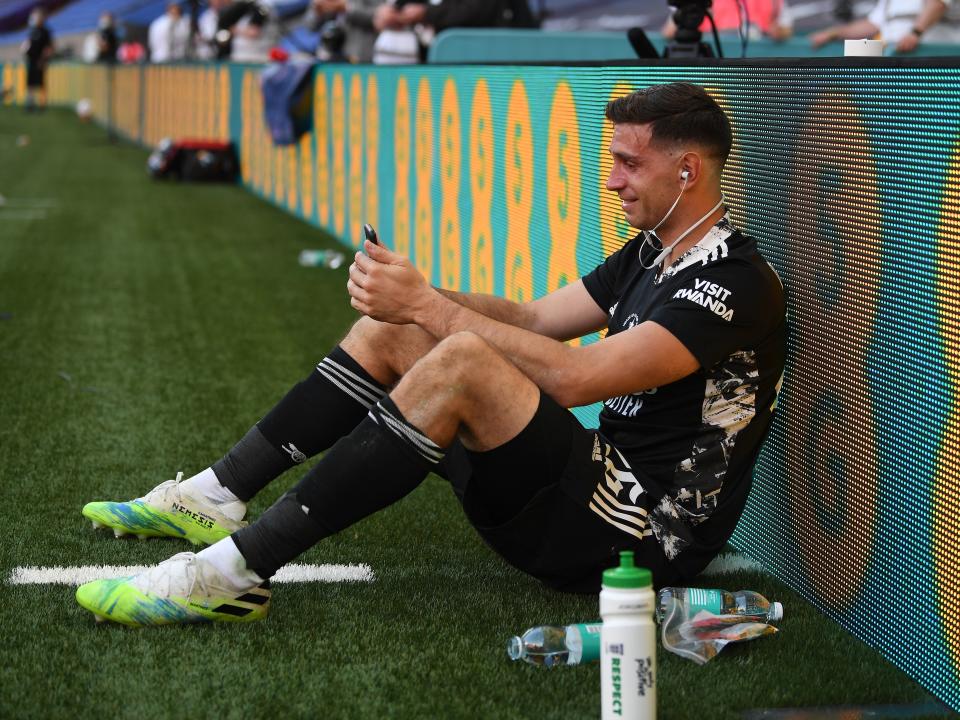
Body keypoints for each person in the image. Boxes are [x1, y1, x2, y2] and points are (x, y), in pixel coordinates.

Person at [75, 82, 787, 627]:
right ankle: (215, 496)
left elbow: (578, 377)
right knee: (403, 333)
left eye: (628, 164)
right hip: (589, 495)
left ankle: (228, 576)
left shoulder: (734, 284)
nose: (611, 180)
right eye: (611, 162)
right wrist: (414, 294)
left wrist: (430, 308)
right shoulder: (653, 250)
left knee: (461, 356)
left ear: (687, 172)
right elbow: (537, 318)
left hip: (642, 538)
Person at [809, 0, 960, 52]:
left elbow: (938, 4)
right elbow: (872, 24)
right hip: (901, 66)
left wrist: (915, 34)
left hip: (936, 64)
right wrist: (832, 33)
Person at [663, 0, 794, 41]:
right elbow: (669, 30)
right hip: (712, 69)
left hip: (756, 67)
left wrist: (778, 32)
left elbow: (785, 28)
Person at [304, 0, 381, 63]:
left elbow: (382, 17)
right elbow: (310, 25)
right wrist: (318, 10)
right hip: (329, 56)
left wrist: (346, 7)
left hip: (361, 58)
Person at [20, 8, 53, 112]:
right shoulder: (31, 30)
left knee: (41, 84)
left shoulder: (46, 31)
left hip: (40, 62)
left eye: (37, 16)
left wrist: (43, 60)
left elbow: (49, 48)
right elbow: (27, 45)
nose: (34, 18)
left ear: (41, 18)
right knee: (30, 84)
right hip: (31, 61)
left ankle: (42, 106)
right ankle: (30, 105)